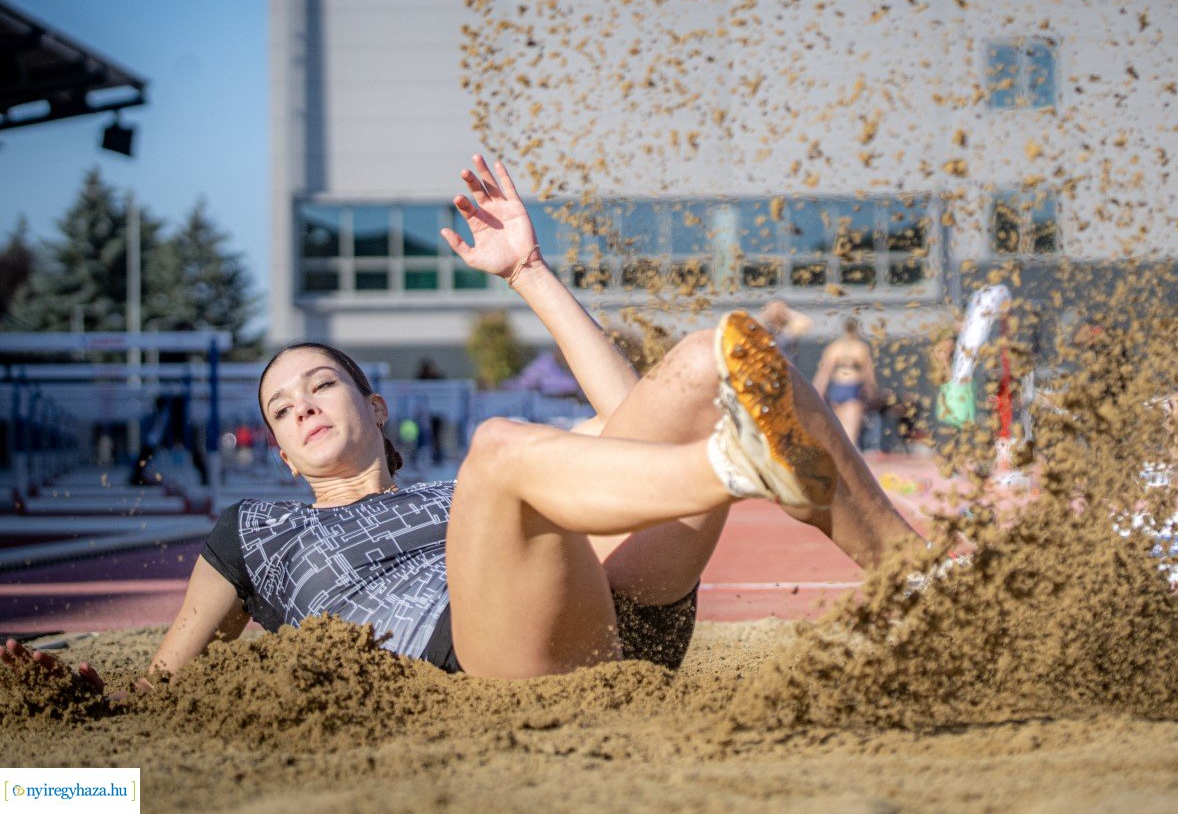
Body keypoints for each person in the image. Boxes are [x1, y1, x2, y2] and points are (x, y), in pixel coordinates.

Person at [2, 157, 919, 691]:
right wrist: (58, 787)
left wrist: (527, 272)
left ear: (374, 407)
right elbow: (168, 686)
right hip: (482, 664)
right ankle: (739, 463)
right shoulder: (255, 531)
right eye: (281, 409)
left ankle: (924, 576)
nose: (303, 408)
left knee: (709, 357)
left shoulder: (455, 501)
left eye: (320, 386)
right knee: (504, 452)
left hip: (612, 625)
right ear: (278, 448)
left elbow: (629, 426)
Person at [814, 317, 878, 448]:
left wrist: (818, 389)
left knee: (841, 429)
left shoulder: (835, 347)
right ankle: (849, 461)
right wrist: (872, 390)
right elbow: (868, 372)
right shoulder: (860, 348)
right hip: (851, 388)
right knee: (850, 431)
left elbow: (824, 371)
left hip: (838, 387)